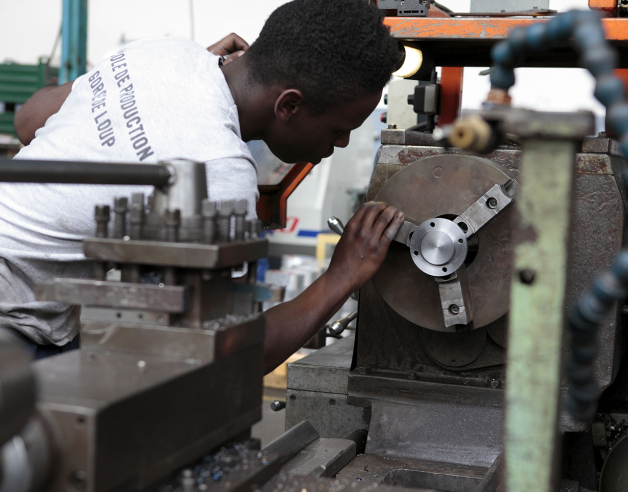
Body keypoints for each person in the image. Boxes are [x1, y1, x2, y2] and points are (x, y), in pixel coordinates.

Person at [4, 0, 405, 371]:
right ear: (288, 106)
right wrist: (342, 275)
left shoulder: (166, 52)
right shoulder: (220, 169)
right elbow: (232, 354)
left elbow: (28, 122)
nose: (342, 143)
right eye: (338, 129)